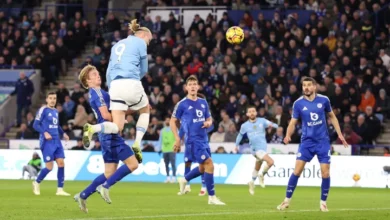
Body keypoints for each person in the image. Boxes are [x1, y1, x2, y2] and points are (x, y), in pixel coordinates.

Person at [82, 19, 152, 164]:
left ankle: (93, 128)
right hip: (131, 81)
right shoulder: (140, 43)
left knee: (117, 126)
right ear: (144, 35)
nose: (148, 43)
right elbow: (144, 70)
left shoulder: (116, 45)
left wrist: (113, 88)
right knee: (145, 109)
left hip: (114, 86)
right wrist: (133, 79)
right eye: (149, 40)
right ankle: (137, 142)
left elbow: (108, 72)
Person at [277, 77, 348, 212]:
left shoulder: (324, 100)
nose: (306, 88)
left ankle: (323, 203)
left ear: (315, 87)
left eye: (309, 85)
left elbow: (332, 116)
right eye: (304, 85)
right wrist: (287, 135)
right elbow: (293, 122)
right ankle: (286, 201)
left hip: (322, 142)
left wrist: (340, 134)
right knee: (297, 171)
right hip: (306, 142)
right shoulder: (298, 103)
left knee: (325, 173)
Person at [74, 64, 139, 213]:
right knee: (133, 164)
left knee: (109, 172)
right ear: (87, 81)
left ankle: (83, 195)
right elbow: (106, 116)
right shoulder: (96, 93)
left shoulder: (100, 92)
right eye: (94, 75)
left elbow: (116, 112)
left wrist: (133, 110)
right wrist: (120, 119)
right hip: (110, 135)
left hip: (106, 135)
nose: (98, 75)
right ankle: (105, 186)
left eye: (98, 73)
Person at [170, 75, 225, 205]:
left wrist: (208, 123)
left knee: (202, 167)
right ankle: (212, 197)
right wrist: (177, 138)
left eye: (195, 84)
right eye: (190, 84)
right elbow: (172, 121)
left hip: (204, 139)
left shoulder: (203, 102)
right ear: (186, 88)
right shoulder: (182, 104)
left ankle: (184, 179)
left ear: (198, 87)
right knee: (210, 164)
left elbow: (209, 119)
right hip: (193, 140)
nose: (193, 86)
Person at [32, 92, 70, 196]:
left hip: (57, 141)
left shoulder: (56, 111)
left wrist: (64, 134)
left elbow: (56, 125)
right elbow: (35, 125)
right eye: (50, 98)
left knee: (61, 163)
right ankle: (36, 182)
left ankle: (60, 189)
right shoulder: (43, 110)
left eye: (54, 98)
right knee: (49, 167)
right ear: (46, 99)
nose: (53, 100)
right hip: (47, 142)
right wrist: (44, 132)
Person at [235, 106, 278, 195]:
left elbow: (275, 125)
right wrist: (236, 145)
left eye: (253, 111)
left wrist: (272, 125)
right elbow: (240, 135)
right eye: (250, 111)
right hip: (255, 149)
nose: (252, 113)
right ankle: (261, 175)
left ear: (256, 113)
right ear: (247, 114)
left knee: (257, 166)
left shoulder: (262, 121)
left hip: (263, 148)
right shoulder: (245, 125)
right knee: (270, 162)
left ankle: (252, 182)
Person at [178, 107, 214, 196]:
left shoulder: (205, 114)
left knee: (204, 165)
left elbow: (211, 126)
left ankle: (203, 187)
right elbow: (182, 129)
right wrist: (178, 141)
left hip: (202, 143)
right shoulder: (186, 115)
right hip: (189, 144)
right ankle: (187, 185)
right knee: (188, 163)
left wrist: (207, 124)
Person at [158, 116, 177, 183]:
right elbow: (160, 140)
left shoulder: (174, 129)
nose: (167, 121)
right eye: (166, 120)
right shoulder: (162, 130)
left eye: (168, 120)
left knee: (173, 164)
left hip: (172, 149)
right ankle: (168, 177)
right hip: (165, 150)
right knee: (166, 164)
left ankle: (174, 177)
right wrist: (159, 149)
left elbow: (177, 138)